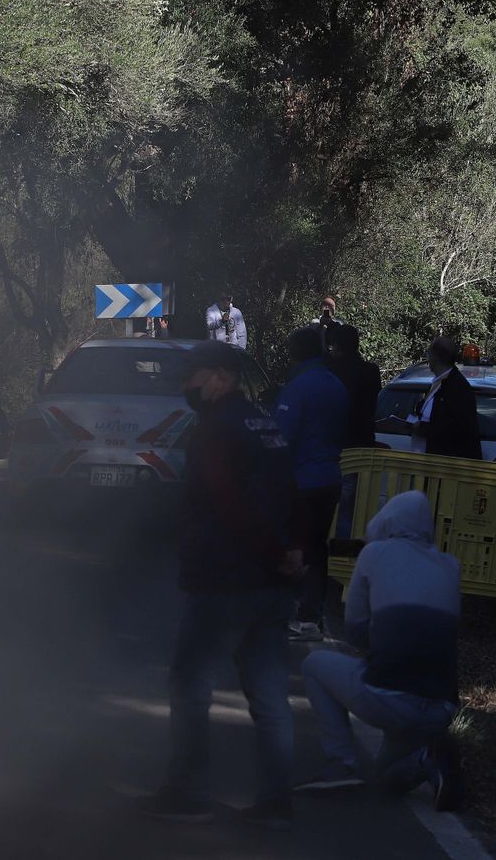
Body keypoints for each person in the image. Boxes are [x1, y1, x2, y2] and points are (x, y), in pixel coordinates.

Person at [137, 340, 301, 829]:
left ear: (222, 376)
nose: (187, 386)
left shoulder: (215, 429)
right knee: (270, 695)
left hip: (226, 579)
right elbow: (290, 491)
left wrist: (272, 551)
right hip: (272, 582)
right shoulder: (264, 422)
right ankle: (277, 803)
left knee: (189, 684)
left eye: (194, 375)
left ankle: (188, 792)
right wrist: (293, 552)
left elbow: (228, 502)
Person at [296, 491, 465, 810]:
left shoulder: (373, 554)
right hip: (441, 706)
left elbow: (355, 629)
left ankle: (341, 763)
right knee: (387, 778)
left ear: (385, 520)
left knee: (314, 664)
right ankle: (427, 759)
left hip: (391, 694)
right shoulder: (450, 565)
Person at [274, 325, 349, 641]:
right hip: (330, 477)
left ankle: (289, 612)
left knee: (293, 545)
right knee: (317, 548)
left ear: (295, 355)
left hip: (301, 479)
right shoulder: (336, 384)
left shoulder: (298, 386)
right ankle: (311, 617)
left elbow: (281, 437)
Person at [326, 324, 381, 538]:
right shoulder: (369, 371)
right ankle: (346, 547)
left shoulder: (330, 370)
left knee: (338, 501)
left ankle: (334, 547)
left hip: (336, 444)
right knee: (354, 503)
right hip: (361, 445)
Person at [413, 336, 481, 461]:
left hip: (445, 467)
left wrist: (424, 428)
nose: (428, 359)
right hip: (425, 462)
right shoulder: (438, 382)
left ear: (436, 357)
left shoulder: (457, 387)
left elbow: (458, 428)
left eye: (429, 354)